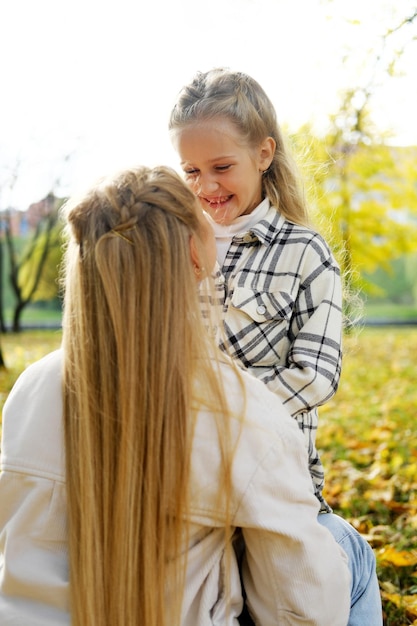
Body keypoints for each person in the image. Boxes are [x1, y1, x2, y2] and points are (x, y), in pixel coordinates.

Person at [0, 165, 351, 626]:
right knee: (351, 554)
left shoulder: (29, 390)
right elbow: (300, 611)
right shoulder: (241, 411)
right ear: (193, 253)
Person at [169, 68, 383, 625]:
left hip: (278, 484)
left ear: (263, 153)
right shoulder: (169, 248)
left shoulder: (306, 253)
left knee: (340, 570)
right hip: (183, 480)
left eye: (221, 168)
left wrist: (221, 417)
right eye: (190, 170)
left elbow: (315, 374)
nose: (204, 187)